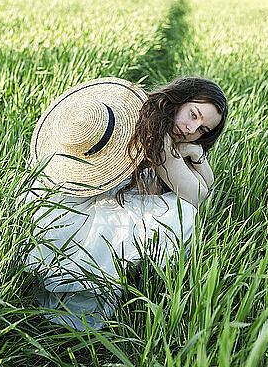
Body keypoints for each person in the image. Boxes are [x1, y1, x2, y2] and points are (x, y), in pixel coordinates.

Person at [16, 76, 228, 330]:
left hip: (48, 204)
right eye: (193, 114)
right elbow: (200, 196)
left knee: (165, 197)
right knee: (182, 213)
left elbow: (206, 182)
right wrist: (190, 154)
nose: (192, 130)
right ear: (179, 99)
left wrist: (196, 153)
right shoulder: (159, 137)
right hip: (74, 214)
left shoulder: (146, 113)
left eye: (202, 130)